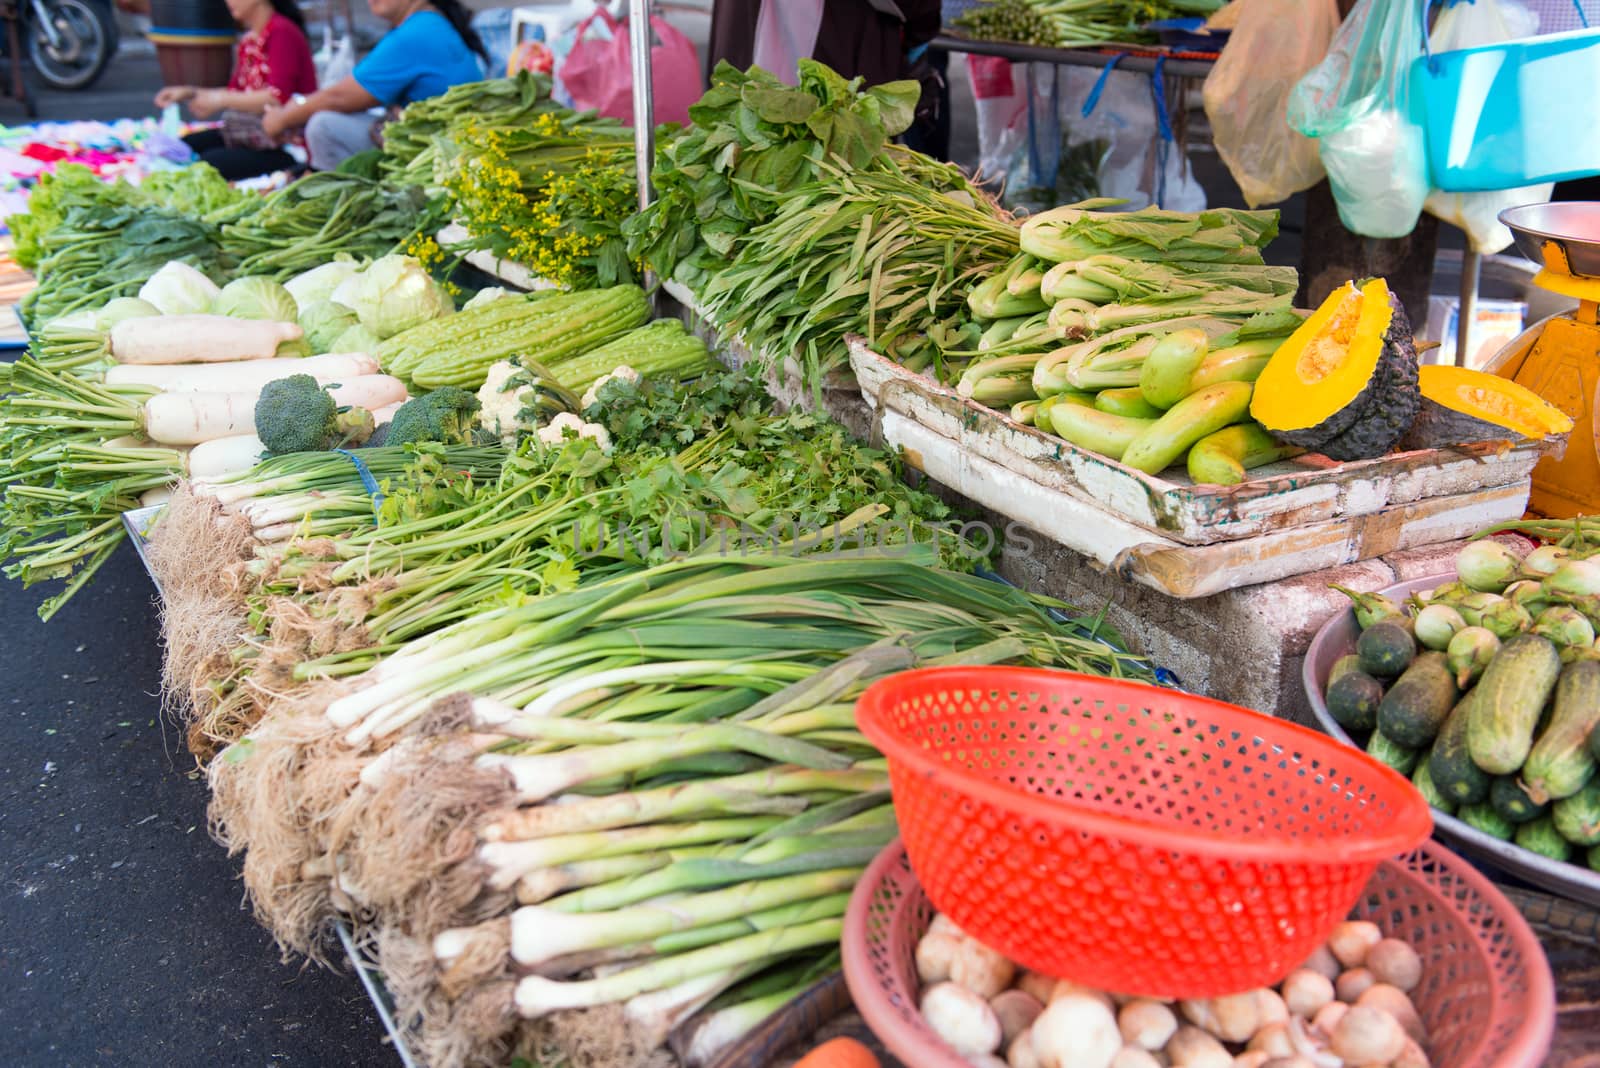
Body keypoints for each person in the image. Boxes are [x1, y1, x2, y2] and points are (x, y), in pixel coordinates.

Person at [261, 0, 487, 171]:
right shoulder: (431, 23)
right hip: (441, 146)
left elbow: (340, 97)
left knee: (324, 126)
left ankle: (346, 211)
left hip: (440, 156)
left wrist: (283, 118)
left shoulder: (416, 33)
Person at [707, 0, 945, 156]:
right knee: (829, 170)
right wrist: (922, 27)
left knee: (743, 152)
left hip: (750, 32)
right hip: (836, 38)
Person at [153, 0, 317, 180]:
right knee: (185, 146)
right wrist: (191, 93)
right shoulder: (250, 39)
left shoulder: (282, 32)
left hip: (281, 142)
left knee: (209, 165)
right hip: (248, 132)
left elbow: (276, 98)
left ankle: (289, 167)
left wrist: (219, 99)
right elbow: (235, 92)